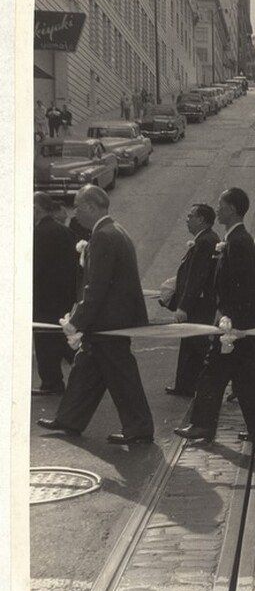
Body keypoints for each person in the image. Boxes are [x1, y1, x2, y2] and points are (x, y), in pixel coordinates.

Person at [36, 185, 154, 445]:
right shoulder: (114, 230)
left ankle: (139, 428)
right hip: (113, 320)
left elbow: (96, 287)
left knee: (122, 377)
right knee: (85, 370)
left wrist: (77, 321)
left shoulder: (102, 236)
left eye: (77, 206)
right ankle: (69, 419)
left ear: (91, 206)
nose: (74, 212)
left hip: (107, 323)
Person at [175, 187, 255, 444]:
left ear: (231, 208)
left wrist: (228, 322)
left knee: (211, 374)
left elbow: (240, 289)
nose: (217, 209)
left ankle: (202, 426)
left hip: (234, 328)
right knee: (248, 378)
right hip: (239, 326)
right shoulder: (236, 239)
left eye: (221, 205)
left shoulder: (238, 242)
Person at [162, 204, 220, 397]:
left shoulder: (205, 241)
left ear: (202, 220)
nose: (187, 219)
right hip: (199, 303)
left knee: (198, 344)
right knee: (190, 344)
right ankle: (185, 385)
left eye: (191, 216)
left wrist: (184, 306)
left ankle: (205, 385)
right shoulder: (206, 239)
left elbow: (197, 277)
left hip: (199, 304)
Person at [32, 193, 77, 395]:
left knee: (45, 340)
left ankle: (51, 381)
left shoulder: (38, 233)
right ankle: (85, 369)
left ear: (36, 209)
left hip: (43, 298)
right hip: (64, 297)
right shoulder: (64, 232)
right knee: (58, 336)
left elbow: (34, 268)